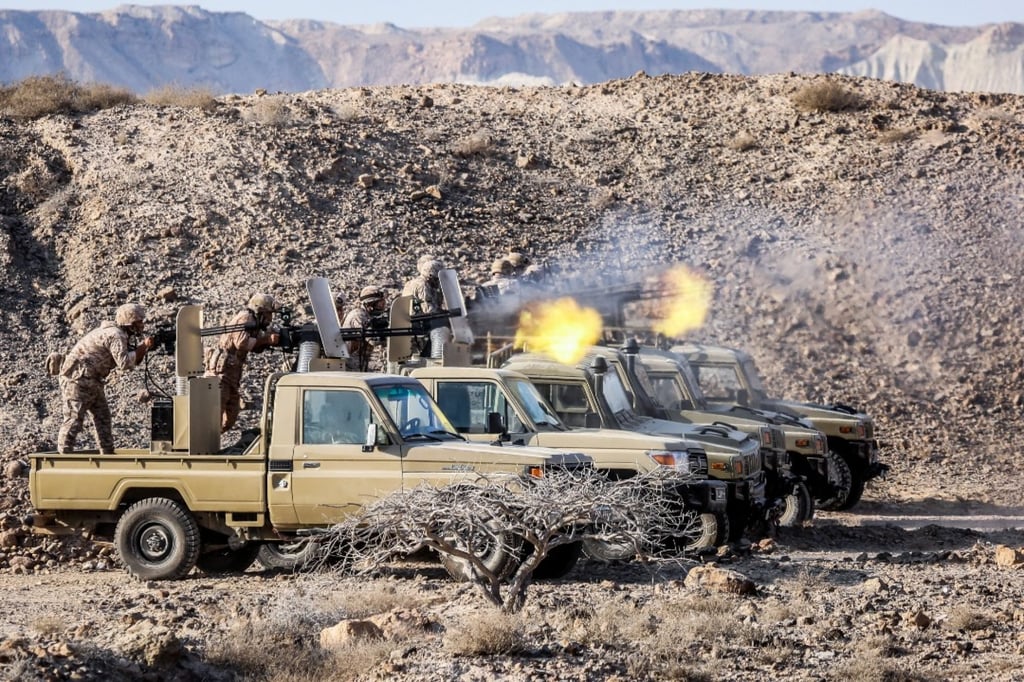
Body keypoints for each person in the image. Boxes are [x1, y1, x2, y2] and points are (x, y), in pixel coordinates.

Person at [57, 303, 155, 454]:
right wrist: (143, 347)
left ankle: (107, 455)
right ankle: (62, 458)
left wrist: (142, 349)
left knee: (103, 418)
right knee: (74, 419)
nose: (142, 325)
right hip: (78, 380)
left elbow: (132, 359)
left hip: (91, 380)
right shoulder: (115, 335)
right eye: (139, 322)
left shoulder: (118, 334)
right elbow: (124, 363)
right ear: (129, 323)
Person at [204, 293, 281, 432]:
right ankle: (208, 446)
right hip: (220, 376)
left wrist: (268, 341)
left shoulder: (255, 324)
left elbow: (254, 346)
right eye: (269, 314)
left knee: (231, 416)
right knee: (214, 416)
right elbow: (242, 343)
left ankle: (214, 439)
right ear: (260, 312)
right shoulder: (245, 318)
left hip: (231, 377)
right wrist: (267, 340)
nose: (270, 319)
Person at [401, 256, 449, 358]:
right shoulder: (422, 285)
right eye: (437, 279)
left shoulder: (429, 285)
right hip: (416, 323)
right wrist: (447, 315)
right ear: (431, 276)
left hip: (422, 322)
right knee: (441, 329)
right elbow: (430, 310)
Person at [342, 285, 388, 371]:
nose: (383, 305)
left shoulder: (367, 315)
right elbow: (373, 340)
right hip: (351, 363)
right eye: (380, 302)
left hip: (360, 361)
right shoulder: (358, 315)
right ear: (370, 303)